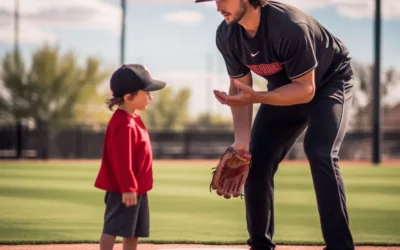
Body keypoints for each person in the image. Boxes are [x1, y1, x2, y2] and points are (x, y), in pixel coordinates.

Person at [195, 0, 355, 250]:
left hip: (329, 83)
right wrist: (241, 142)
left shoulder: (290, 27)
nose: (218, 6)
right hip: (283, 90)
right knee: (255, 158)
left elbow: (305, 90)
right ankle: (260, 245)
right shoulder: (226, 34)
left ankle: (340, 247)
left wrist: (258, 97)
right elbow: (240, 90)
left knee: (320, 151)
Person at [94, 64, 166, 250]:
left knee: (133, 231)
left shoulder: (133, 119)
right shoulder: (124, 124)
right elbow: (121, 160)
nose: (151, 97)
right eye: (146, 93)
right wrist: (128, 187)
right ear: (128, 97)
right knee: (113, 227)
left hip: (137, 188)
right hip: (124, 189)